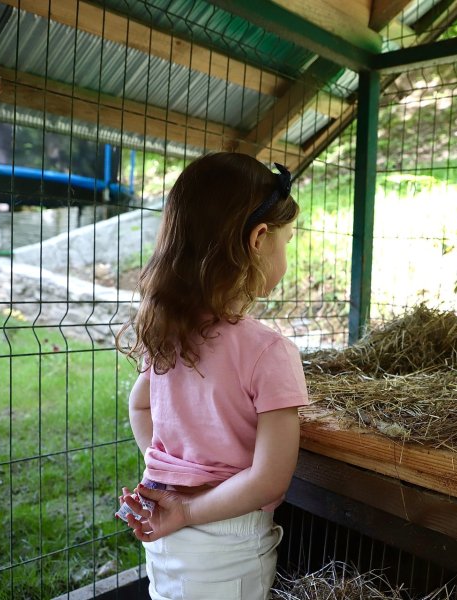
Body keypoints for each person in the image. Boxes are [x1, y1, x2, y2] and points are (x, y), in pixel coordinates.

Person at [115, 152, 308, 600]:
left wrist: (167, 469)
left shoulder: (168, 331)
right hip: (226, 540)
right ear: (259, 238)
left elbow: (139, 404)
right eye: (288, 240)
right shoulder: (270, 353)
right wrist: (190, 511)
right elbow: (269, 479)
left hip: (164, 534)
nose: (286, 253)